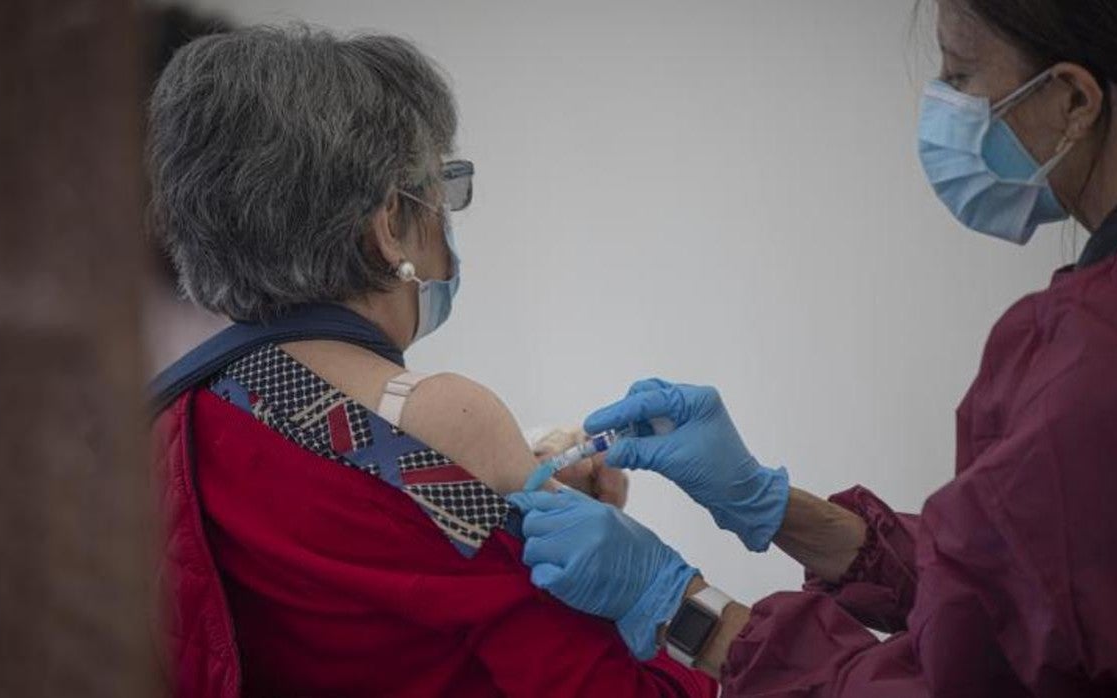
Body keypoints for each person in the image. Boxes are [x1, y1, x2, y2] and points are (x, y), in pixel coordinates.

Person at [508, 1, 1117, 695]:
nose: (943, 104)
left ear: (1074, 100)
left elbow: (967, 675)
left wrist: (681, 608)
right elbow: (1017, 597)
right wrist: (770, 504)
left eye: (961, 76)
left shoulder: (1105, 366)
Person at [147, 26, 713, 697]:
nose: (447, 224)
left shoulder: (170, 424)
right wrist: (672, 602)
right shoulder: (442, 416)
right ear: (390, 225)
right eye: (445, 189)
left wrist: (520, 479)